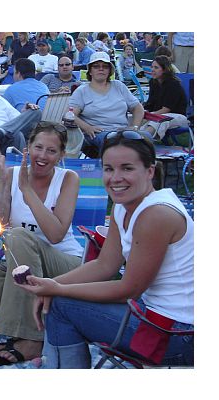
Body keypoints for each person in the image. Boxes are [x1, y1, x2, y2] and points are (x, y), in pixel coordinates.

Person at [17, 130, 194, 368]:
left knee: (61, 306)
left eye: (127, 168)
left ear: (150, 171)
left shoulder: (156, 214)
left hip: (178, 332)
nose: (115, 178)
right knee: (59, 297)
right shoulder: (124, 205)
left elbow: (128, 290)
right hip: (154, 313)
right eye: (109, 169)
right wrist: (51, 286)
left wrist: (58, 289)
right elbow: (105, 265)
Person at [0, 122, 84, 365]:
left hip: (64, 265)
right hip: (25, 269)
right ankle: (42, 321)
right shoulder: (11, 175)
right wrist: (2, 180)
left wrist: (26, 190)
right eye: (38, 147)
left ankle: (30, 339)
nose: (43, 155)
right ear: (27, 148)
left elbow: (56, 235)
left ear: (61, 155)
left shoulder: (68, 179)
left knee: (17, 236)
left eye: (51, 151)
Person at [69, 52, 144, 156]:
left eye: (105, 66)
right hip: (99, 133)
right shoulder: (82, 91)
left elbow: (137, 108)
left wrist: (135, 127)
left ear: (110, 70)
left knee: (145, 137)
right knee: (117, 141)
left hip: (123, 131)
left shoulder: (119, 86)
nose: (101, 69)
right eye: (96, 66)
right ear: (90, 71)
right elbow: (70, 115)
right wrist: (87, 127)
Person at [140, 55, 189, 140]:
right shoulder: (153, 82)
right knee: (138, 118)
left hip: (178, 116)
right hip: (160, 114)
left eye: (156, 67)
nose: (152, 70)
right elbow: (150, 103)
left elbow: (166, 109)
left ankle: (143, 141)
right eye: (152, 67)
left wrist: (151, 115)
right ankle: (134, 139)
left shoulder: (173, 84)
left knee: (159, 121)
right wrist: (142, 111)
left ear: (164, 69)